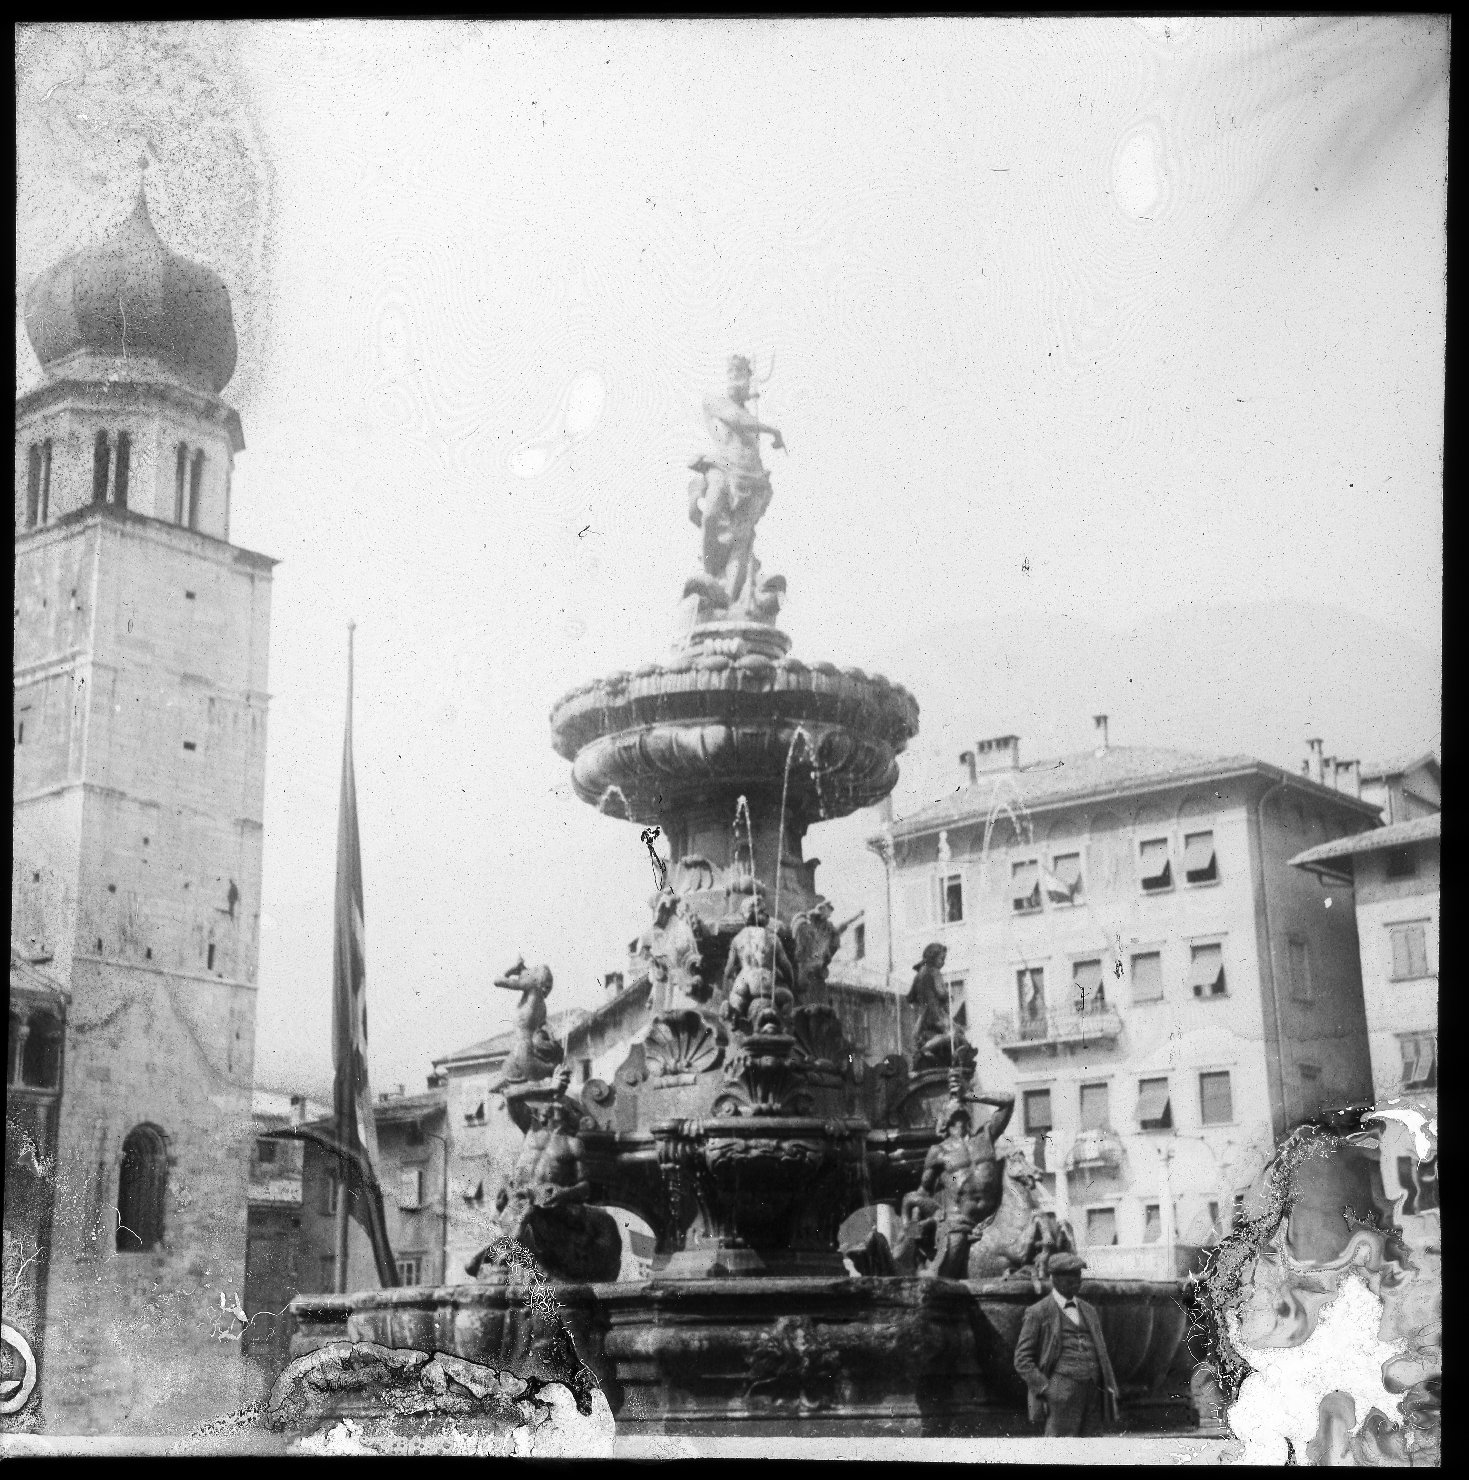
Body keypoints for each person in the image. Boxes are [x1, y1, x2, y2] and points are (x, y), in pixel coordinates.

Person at [1012, 1252, 1120, 1436]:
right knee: (1061, 1451)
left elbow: (1102, 1352)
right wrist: (1046, 1388)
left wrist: (1108, 1385)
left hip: (1093, 1390)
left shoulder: (1089, 1310)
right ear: (1053, 1278)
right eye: (1067, 1275)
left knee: (1093, 1452)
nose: (1075, 1280)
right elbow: (1022, 1360)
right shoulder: (1038, 1312)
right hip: (1060, 1392)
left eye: (1077, 1275)